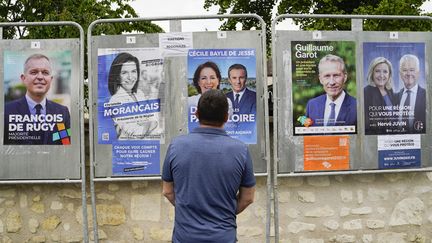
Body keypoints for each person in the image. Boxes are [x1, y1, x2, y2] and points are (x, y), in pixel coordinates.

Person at [162, 89, 255, 243]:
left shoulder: (176, 146)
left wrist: (186, 210)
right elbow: (248, 198)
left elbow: (167, 191)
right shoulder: (241, 150)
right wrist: (224, 214)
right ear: (227, 116)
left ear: (196, 114)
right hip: (223, 237)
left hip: (185, 237)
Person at [4, 54, 71, 145]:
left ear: (50, 79)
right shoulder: (6, 111)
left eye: (45, 72)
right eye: (34, 72)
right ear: (23, 78)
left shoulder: (62, 113)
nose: (40, 77)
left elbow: (65, 143)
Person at [107, 52, 160, 139]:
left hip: (147, 148)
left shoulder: (139, 94)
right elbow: (137, 133)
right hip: (128, 149)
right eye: (124, 73)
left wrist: (146, 124)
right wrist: (148, 123)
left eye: (133, 71)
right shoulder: (115, 100)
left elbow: (155, 120)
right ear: (117, 76)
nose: (130, 77)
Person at [305, 54, 357, 126]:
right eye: (327, 76)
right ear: (320, 79)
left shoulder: (357, 107)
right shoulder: (312, 105)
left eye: (336, 75)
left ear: (345, 77)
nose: (332, 82)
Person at [364, 57, 397, 134]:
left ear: (389, 75)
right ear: (372, 73)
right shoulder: (366, 92)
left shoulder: (390, 91)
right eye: (377, 71)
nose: (381, 75)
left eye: (385, 72)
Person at [396, 54, 426, 133]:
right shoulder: (394, 97)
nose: (408, 73)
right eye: (405, 70)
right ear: (400, 74)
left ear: (418, 73)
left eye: (412, 70)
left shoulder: (427, 96)